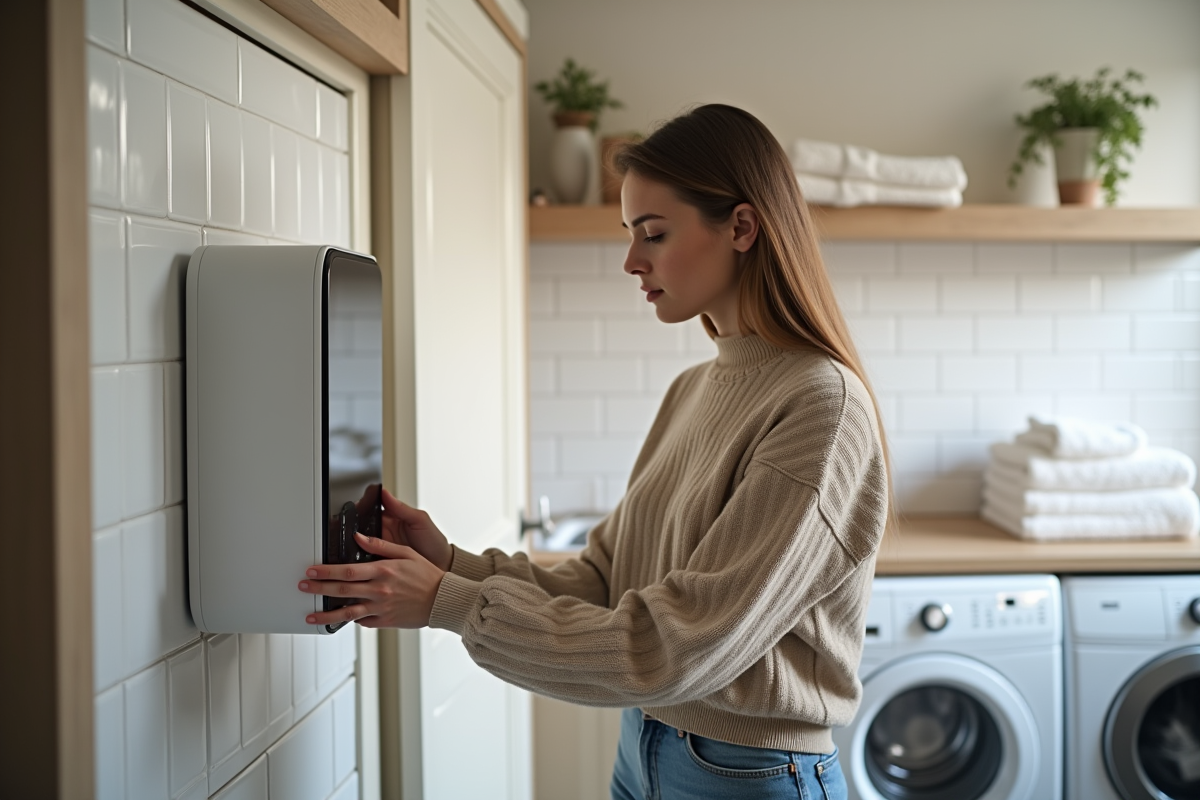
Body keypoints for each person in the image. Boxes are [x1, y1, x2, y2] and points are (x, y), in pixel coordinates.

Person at [298, 103, 890, 800]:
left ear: (741, 227)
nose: (632, 260)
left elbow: (680, 647)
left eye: (654, 234)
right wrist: (449, 564)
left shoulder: (820, 405)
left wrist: (451, 603)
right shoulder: (694, 389)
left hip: (749, 773)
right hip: (646, 747)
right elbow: (609, 582)